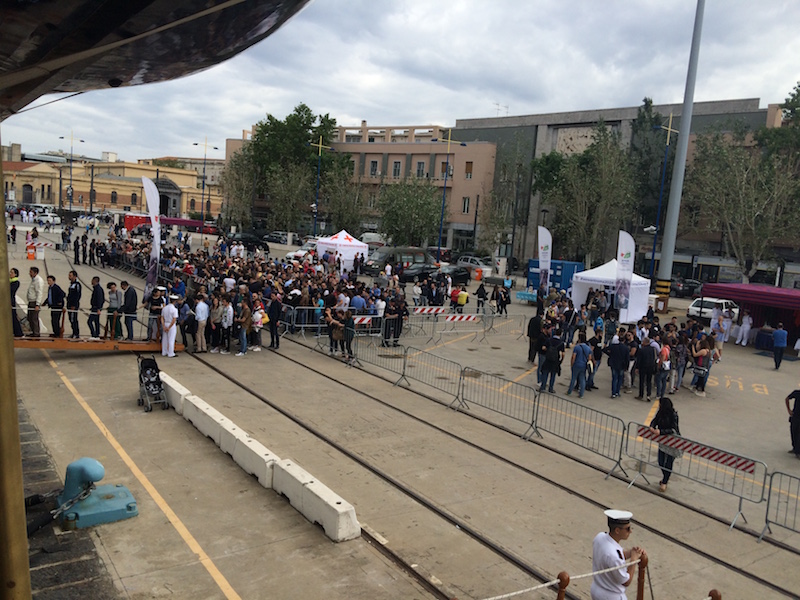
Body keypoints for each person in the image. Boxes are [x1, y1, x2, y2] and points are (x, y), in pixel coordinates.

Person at [591, 510, 646, 600]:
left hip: (597, 588)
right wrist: (633, 560)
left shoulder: (600, 537)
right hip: (611, 596)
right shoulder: (613, 555)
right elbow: (626, 581)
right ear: (617, 530)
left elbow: (618, 555)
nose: (630, 531)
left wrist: (631, 552)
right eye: (627, 529)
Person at [649, 397, 682, 492]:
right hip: (663, 441)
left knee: (668, 463)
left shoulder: (673, 415)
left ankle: (664, 482)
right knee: (661, 461)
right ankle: (665, 477)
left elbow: (674, 429)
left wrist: (661, 431)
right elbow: (655, 420)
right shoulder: (660, 413)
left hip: (673, 442)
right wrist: (652, 426)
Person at [567, 332, 592, 397]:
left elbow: (573, 357)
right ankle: (581, 394)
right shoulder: (588, 348)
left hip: (577, 364)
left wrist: (572, 364)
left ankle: (569, 391)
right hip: (584, 365)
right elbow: (590, 358)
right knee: (582, 379)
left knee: (573, 378)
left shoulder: (577, 347)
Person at [26, 267, 46, 337]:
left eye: (31, 272)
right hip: (31, 301)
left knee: (34, 318)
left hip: (34, 302)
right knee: (29, 317)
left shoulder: (38, 281)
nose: (29, 273)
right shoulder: (33, 280)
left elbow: (39, 293)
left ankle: (36, 333)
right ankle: (33, 331)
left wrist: (37, 304)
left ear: (35, 273)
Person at [66, 270, 82, 338]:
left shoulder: (77, 285)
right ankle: (74, 332)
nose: (69, 277)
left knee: (74, 319)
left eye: (70, 276)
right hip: (69, 305)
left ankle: (76, 333)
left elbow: (78, 295)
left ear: (75, 276)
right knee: (71, 319)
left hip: (73, 306)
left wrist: (74, 305)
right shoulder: (71, 284)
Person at [785, 390, 800, 458]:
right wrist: (789, 410)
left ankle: (798, 451)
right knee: (793, 433)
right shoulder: (797, 393)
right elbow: (787, 398)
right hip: (795, 417)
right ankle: (795, 448)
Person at [10, 268, 23, 337]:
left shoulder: (16, 283)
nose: (10, 274)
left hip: (11, 301)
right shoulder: (8, 281)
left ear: (15, 274)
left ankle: (18, 332)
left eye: (12, 272)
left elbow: (10, 291)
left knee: (13, 316)